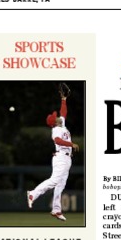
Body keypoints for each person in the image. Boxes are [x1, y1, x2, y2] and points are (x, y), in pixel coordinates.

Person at [27, 88, 79, 221]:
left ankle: (56, 209)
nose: (58, 117)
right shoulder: (56, 130)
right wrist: (71, 144)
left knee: (60, 185)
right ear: (54, 122)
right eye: (55, 117)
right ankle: (33, 193)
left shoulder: (62, 125)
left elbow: (63, 112)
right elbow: (57, 140)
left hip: (66, 158)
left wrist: (63, 99)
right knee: (55, 181)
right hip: (61, 157)